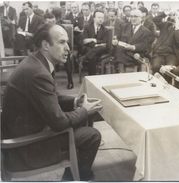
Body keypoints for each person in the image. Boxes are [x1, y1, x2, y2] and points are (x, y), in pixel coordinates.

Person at [1, 23, 103, 181]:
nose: (68, 48)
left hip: (19, 130)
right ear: (45, 45)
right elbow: (59, 123)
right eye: (62, 42)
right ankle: (76, 178)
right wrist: (84, 110)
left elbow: (50, 96)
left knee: (81, 122)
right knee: (92, 135)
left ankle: (75, 171)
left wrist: (75, 101)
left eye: (67, 42)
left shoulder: (36, 62)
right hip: (23, 148)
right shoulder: (38, 73)